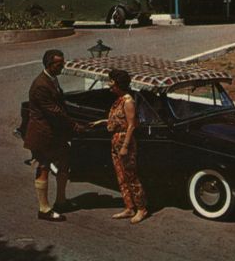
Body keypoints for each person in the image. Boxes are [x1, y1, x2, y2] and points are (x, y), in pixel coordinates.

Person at [24, 49, 85, 222]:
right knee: (43, 167)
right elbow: (55, 111)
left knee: (64, 163)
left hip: (54, 133)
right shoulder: (41, 85)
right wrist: (74, 125)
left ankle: (61, 200)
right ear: (50, 65)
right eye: (60, 64)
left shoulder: (51, 79)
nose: (63, 67)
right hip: (43, 133)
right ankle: (44, 209)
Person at [91, 69, 148, 224]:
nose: (109, 84)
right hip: (116, 140)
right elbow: (118, 120)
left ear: (118, 84)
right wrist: (103, 122)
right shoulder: (120, 99)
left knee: (131, 176)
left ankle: (141, 209)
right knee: (121, 176)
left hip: (124, 141)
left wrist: (125, 146)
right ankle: (129, 207)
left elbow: (131, 126)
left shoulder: (128, 101)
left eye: (111, 82)